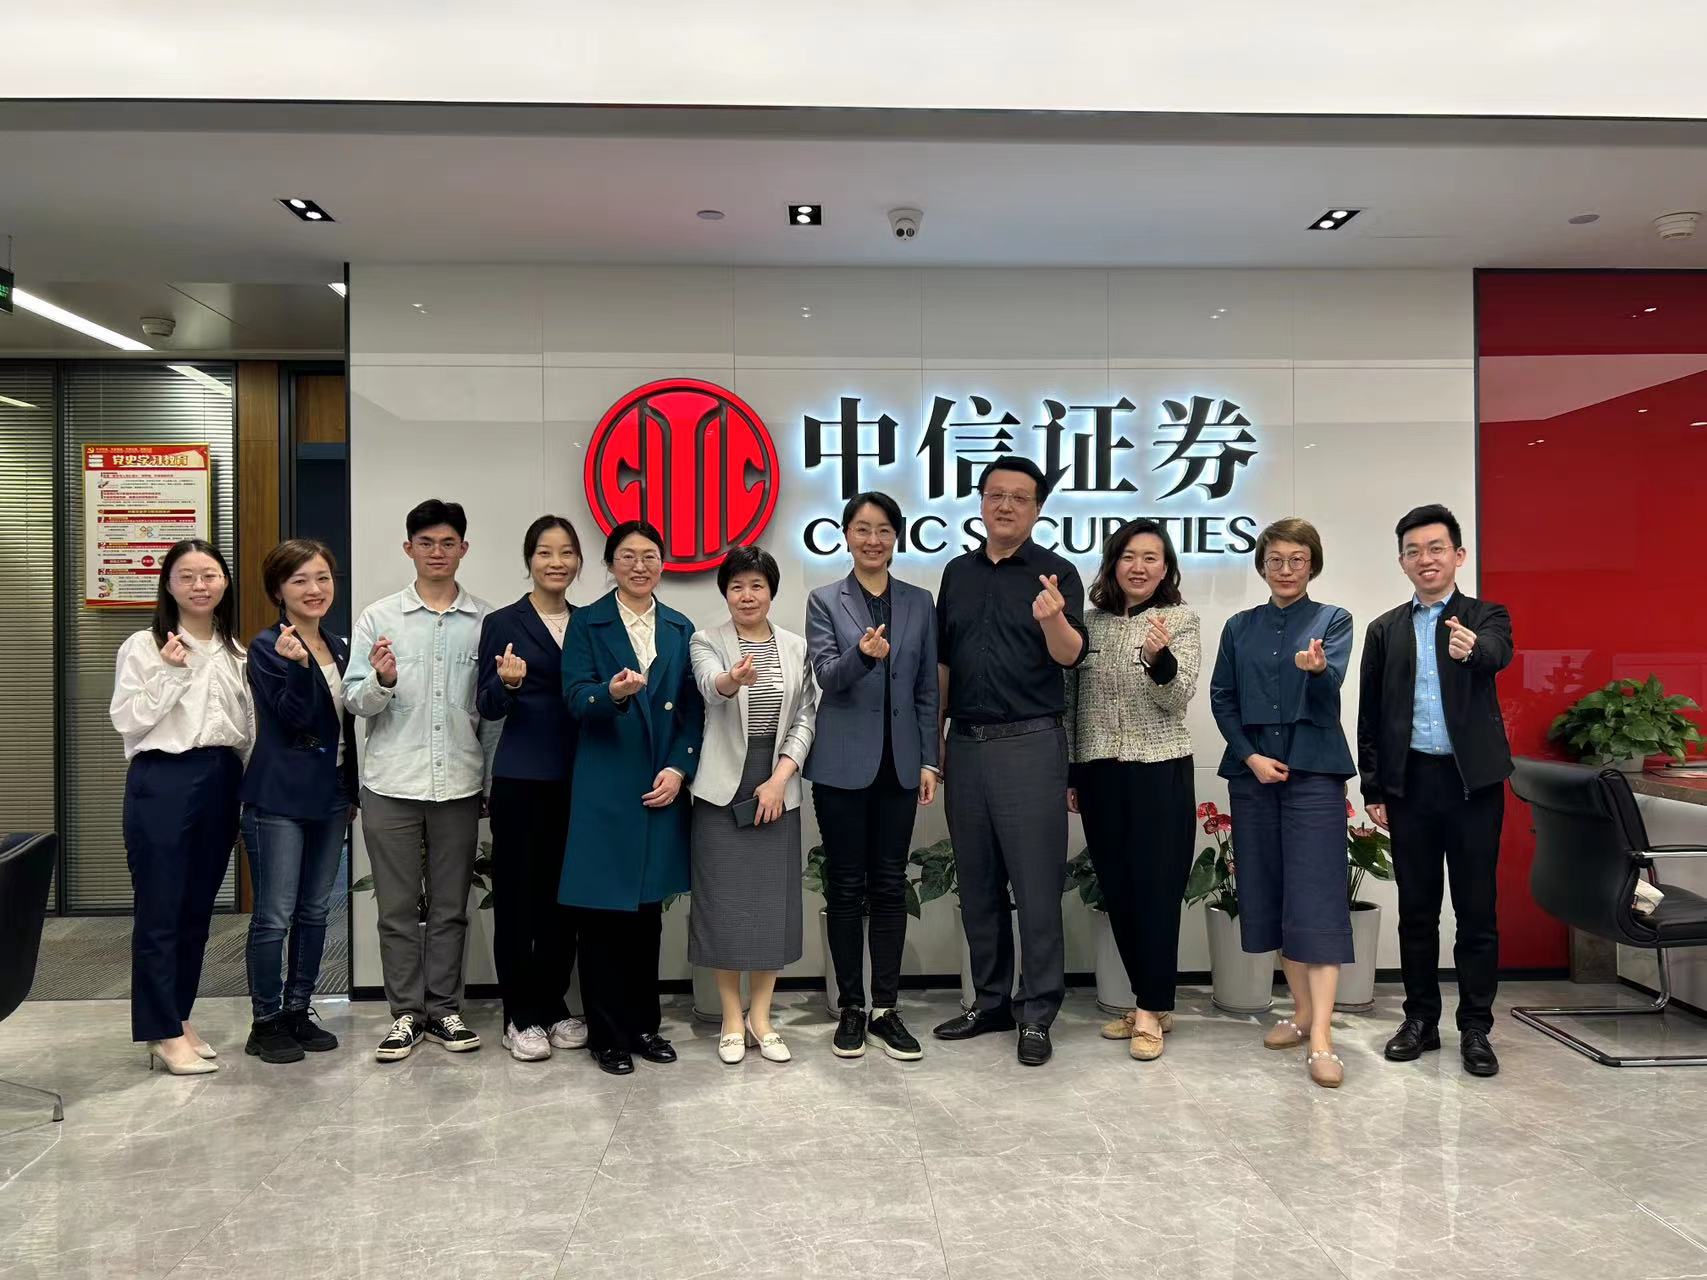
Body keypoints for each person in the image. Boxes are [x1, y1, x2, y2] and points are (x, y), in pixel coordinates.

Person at [932, 457, 1088, 1067]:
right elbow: (944, 663)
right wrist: (934, 744)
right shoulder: (957, 573)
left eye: (1019, 498)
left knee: (1036, 886)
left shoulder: (1057, 573)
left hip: (1031, 744)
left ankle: (1038, 1011)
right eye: (995, 494)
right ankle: (991, 1001)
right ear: (981, 502)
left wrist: (1053, 619)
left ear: (1037, 509)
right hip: (966, 745)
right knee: (977, 885)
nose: (1005, 506)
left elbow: (1070, 655)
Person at [1358, 503, 1513, 1079]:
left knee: (1476, 913)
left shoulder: (1486, 616)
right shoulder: (1385, 629)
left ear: (1458, 555)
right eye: (1414, 551)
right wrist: (1374, 787)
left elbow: (1498, 652)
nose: (1426, 559)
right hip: (1411, 785)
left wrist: (1473, 650)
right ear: (1402, 562)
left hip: (1473, 785)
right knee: (1417, 912)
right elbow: (1370, 715)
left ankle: (1476, 1027)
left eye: (1436, 548)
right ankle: (1420, 1019)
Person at [344, 498, 495, 1062]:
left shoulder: (485, 621)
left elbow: (490, 713)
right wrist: (381, 681)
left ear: (463, 549)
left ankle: (445, 1010)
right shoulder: (378, 617)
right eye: (426, 543)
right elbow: (354, 699)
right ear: (409, 548)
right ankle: (406, 1014)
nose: (437, 552)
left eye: (447, 542)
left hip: (458, 783)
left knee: (451, 907)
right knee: (397, 909)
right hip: (391, 784)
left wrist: (490, 782)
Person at [1210, 516, 1356, 1089]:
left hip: (1314, 774)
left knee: (1316, 898)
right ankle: (1299, 1014)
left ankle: (1322, 1037)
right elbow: (1222, 698)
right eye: (1276, 559)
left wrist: (1317, 671)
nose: (1286, 569)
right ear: (1262, 565)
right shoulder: (1239, 626)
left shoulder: (1332, 620)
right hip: (1254, 777)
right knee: (1271, 894)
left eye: (1297, 559)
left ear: (1312, 564)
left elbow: (1330, 687)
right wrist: (1249, 756)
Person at [560, 520, 704, 1076]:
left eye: (649, 556)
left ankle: (644, 1025)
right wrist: (612, 693)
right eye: (627, 556)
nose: (639, 566)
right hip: (606, 787)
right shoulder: (587, 622)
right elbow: (575, 697)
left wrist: (679, 768)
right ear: (610, 564)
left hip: (659, 786)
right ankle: (607, 1034)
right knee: (603, 919)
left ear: (662, 563)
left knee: (647, 916)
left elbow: (692, 710)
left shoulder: (679, 626)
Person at [109, 538, 253, 1075]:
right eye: (187, 576)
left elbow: (246, 729)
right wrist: (170, 674)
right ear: (168, 584)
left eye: (209, 575)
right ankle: (160, 1030)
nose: (199, 585)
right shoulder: (144, 646)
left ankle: (179, 1016)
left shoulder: (234, 650)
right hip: (164, 778)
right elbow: (127, 720)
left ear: (224, 583)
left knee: (196, 909)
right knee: (161, 908)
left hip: (221, 777)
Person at [804, 492, 938, 1061]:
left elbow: (927, 688)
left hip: (900, 765)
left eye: (883, 529)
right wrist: (862, 655)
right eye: (862, 528)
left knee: (888, 884)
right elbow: (826, 676)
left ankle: (886, 1007)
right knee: (844, 885)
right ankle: (851, 1007)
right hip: (841, 765)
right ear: (846, 535)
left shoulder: (919, 602)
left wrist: (929, 759)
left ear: (896, 537)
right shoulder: (823, 600)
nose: (873, 539)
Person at [1065, 519, 1200, 1062]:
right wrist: (1073, 771)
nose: (1139, 567)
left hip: (1159, 769)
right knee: (1118, 890)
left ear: (1166, 569)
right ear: (1113, 564)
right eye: (1128, 556)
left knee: (1156, 890)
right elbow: (1072, 701)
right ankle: (1153, 1001)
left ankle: (1149, 1009)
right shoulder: (1089, 625)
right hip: (1098, 769)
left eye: (1151, 558)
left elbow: (1177, 697)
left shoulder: (1180, 620)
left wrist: (1157, 659)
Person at [688, 545, 819, 1065]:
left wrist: (780, 779)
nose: (747, 595)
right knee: (724, 905)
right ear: (725, 592)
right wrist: (732, 680)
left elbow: (806, 717)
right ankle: (729, 1017)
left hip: (776, 785)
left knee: (770, 906)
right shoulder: (707, 640)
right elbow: (709, 686)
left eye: (757, 586)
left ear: (771, 592)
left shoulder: (796, 646)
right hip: (722, 789)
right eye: (737, 586)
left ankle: (761, 1018)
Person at [240, 539, 359, 1065]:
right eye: (300, 580)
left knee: (315, 910)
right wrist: (298, 667)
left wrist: (350, 789)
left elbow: (348, 727)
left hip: (330, 794)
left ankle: (297, 1010)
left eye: (323, 578)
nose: (315, 589)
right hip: (280, 798)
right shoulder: (269, 646)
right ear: (278, 591)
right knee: (274, 915)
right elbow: (295, 718)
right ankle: (265, 1022)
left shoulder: (340, 644)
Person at [476, 515, 589, 1063]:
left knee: (565, 901)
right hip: (522, 779)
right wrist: (509, 683)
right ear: (529, 560)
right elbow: (486, 703)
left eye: (566, 552)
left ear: (579, 561)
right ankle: (519, 1015)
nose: (556, 562)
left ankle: (553, 1004)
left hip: (582, 778)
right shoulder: (503, 622)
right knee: (519, 901)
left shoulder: (591, 622)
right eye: (545, 552)